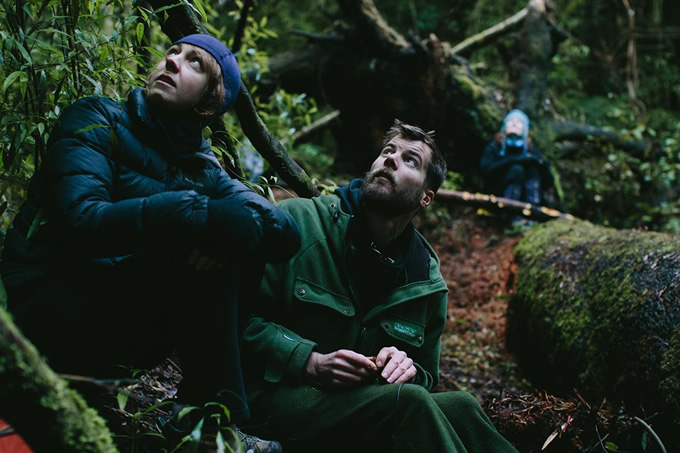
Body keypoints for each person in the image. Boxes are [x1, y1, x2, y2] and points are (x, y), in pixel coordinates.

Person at [0, 34, 299, 450]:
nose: (173, 61)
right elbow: (83, 220)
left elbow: (285, 234)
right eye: (172, 52)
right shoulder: (95, 118)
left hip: (114, 332)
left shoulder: (204, 169)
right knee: (206, 234)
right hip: (40, 309)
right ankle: (210, 427)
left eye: (194, 62)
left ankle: (201, 420)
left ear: (211, 101)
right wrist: (193, 213)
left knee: (235, 244)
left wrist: (222, 233)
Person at [240, 119, 520, 452]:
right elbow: (235, 319)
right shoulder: (298, 223)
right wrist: (310, 361)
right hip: (274, 397)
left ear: (426, 197)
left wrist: (406, 367)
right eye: (388, 151)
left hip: (359, 406)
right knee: (410, 402)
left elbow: (426, 377)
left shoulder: (425, 281)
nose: (390, 159)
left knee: (462, 406)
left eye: (409, 160)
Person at [480, 109, 548, 208]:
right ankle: (510, 211)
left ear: (525, 129)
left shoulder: (530, 149)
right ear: (504, 126)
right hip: (497, 193)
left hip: (525, 196)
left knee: (532, 169)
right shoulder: (495, 146)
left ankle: (533, 209)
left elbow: (547, 179)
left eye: (519, 122)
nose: (514, 124)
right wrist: (515, 160)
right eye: (510, 121)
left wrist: (538, 163)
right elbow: (485, 171)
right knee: (517, 170)